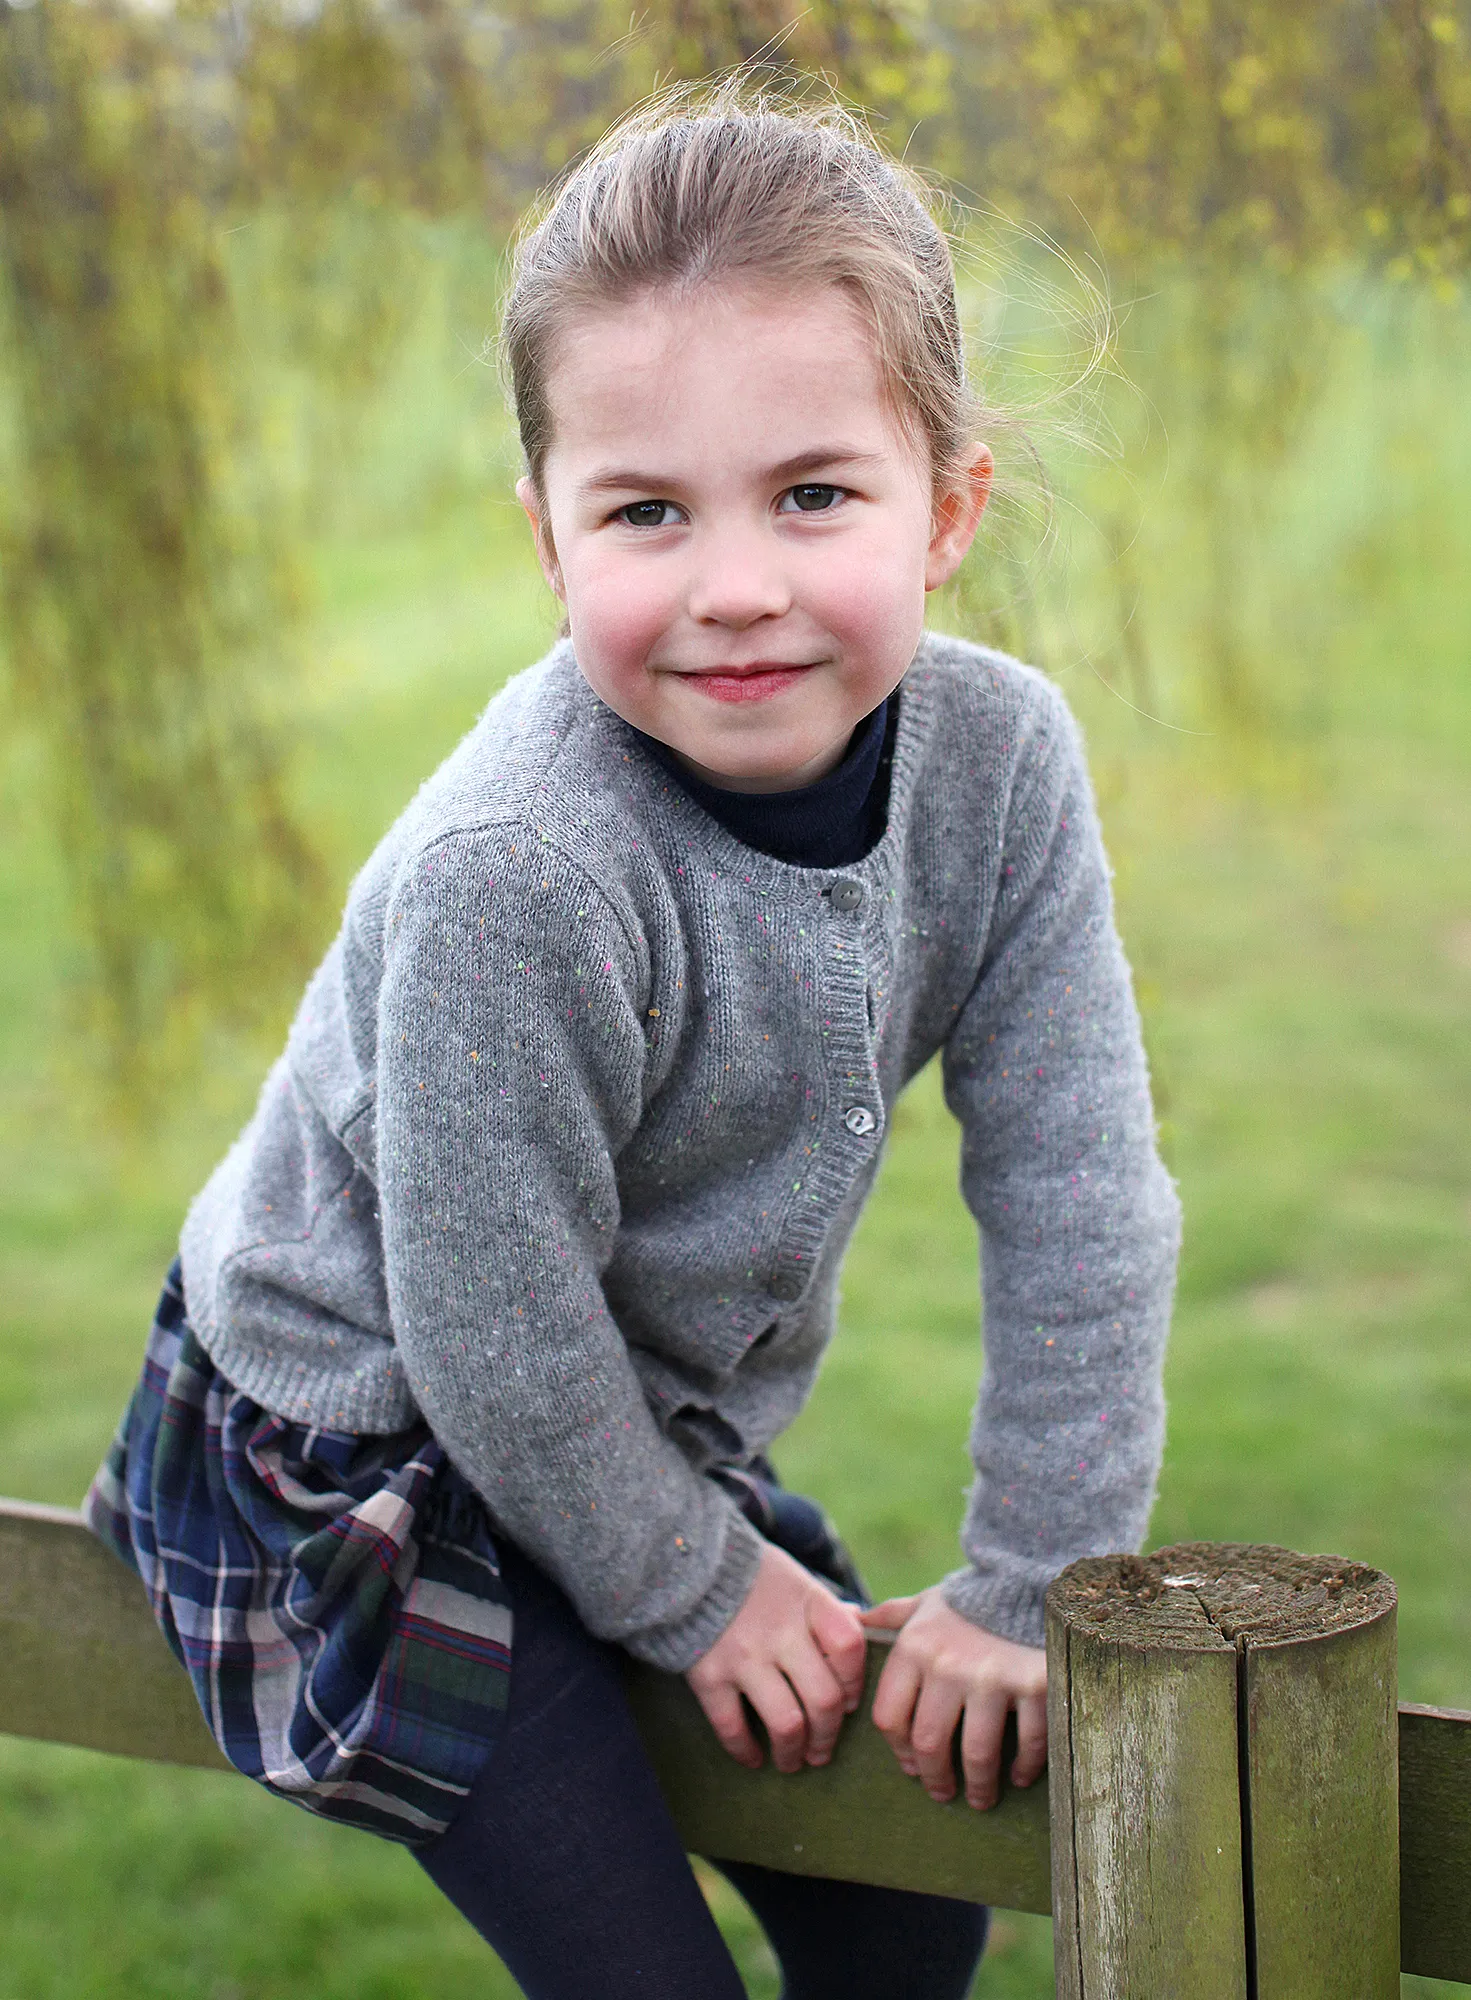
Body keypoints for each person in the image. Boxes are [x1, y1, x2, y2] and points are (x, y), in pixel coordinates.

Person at [85, 84, 1180, 2000]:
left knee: (910, 1908)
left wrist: (1028, 1582)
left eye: (813, 493)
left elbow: (1080, 1196)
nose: (735, 585)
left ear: (948, 507)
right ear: (547, 537)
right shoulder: (521, 871)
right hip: (354, 1448)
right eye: (646, 511)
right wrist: (696, 1585)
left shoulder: (1000, 771)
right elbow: (485, 1320)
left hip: (615, 1418)